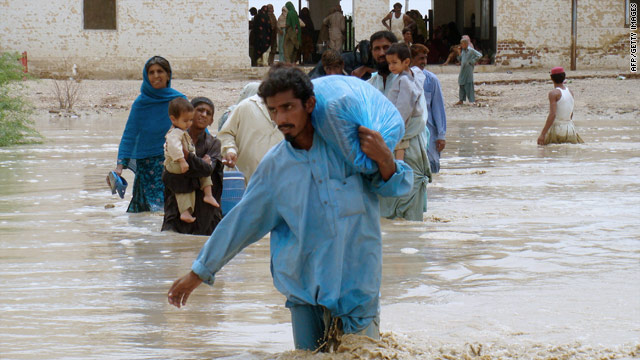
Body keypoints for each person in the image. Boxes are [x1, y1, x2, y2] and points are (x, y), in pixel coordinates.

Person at [167, 64, 412, 352]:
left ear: (309, 104)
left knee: (364, 355)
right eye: (273, 110)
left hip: (358, 289)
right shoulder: (274, 168)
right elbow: (241, 224)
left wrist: (385, 160)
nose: (280, 119)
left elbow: (399, 189)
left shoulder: (348, 150)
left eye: (288, 107)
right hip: (304, 292)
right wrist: (198, 273)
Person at [367, 31, 431, 221]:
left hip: (411, 149)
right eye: (376, 49)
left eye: (386, 48)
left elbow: (420, 119)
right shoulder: (370, 84)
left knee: (411, 215)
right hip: (382, 153)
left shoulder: (413, 79)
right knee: (383, 215)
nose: (381, 53)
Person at [115, 56, 185, 213]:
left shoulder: (178, 101)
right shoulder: (141, 103)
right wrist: (119, 167)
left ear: (168, 75)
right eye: (151, 72)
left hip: (172, 164)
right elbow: (129, 135)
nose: (155, 76)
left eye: (160, 71)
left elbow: (192, 129)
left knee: (170, 208)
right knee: (147, 211)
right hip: (146, 167)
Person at [162, 97, 224, 235]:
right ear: (188, 113)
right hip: (177, 207)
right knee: (172, 245)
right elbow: (168, 174)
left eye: (208, 113)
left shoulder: (214, 144)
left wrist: (187, 157)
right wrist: (199, 163)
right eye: (200, 110)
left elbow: (208, 169)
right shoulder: (174, 139)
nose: (204, 115)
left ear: (211, 121)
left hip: (206, 212)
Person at [218, 87, 283, 183]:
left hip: (278, 184)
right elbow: (226, 133)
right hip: (244, 183)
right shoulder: (247, 106)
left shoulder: (292, 113)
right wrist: (230, 149)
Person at [383, 43, 424, 162]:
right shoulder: (412, 75)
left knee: (400, 144)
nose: (391, 66)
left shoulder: (404, 80)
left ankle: (399, 168)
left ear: (406, 62)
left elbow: (404, 106)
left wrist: (398, 124)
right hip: (409, 119)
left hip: (404, 120)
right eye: (389, 63)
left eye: (394, 63)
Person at [411, 44, 447, 174]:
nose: (424, 62)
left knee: (432, 168)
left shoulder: (431, 80)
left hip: (430, 134)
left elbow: (438, 109)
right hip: (411, 134)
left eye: (425, 58)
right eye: (421, 58)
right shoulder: (402, 79)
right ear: (410, 59)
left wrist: (441, 135)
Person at [537, 67, 584, 145]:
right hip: (570, 128)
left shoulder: (554, 93)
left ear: (551, 78)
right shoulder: (570, 92)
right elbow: (571, 113)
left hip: (557, 128)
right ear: (564, 77)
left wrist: (543, 134)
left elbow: (552, 114)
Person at [455, 37, 482, 105]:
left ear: (466, 44)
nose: (461, 45)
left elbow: (479, 55)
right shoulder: (463, 51)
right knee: (461, 82)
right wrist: (459, 53)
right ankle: (461, 99)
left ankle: (471, 100)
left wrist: (472, 61)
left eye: (462, 44)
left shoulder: (471, 50)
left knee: (469, 83)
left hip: (468, 69)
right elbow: (460, 59)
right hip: (463, 69)